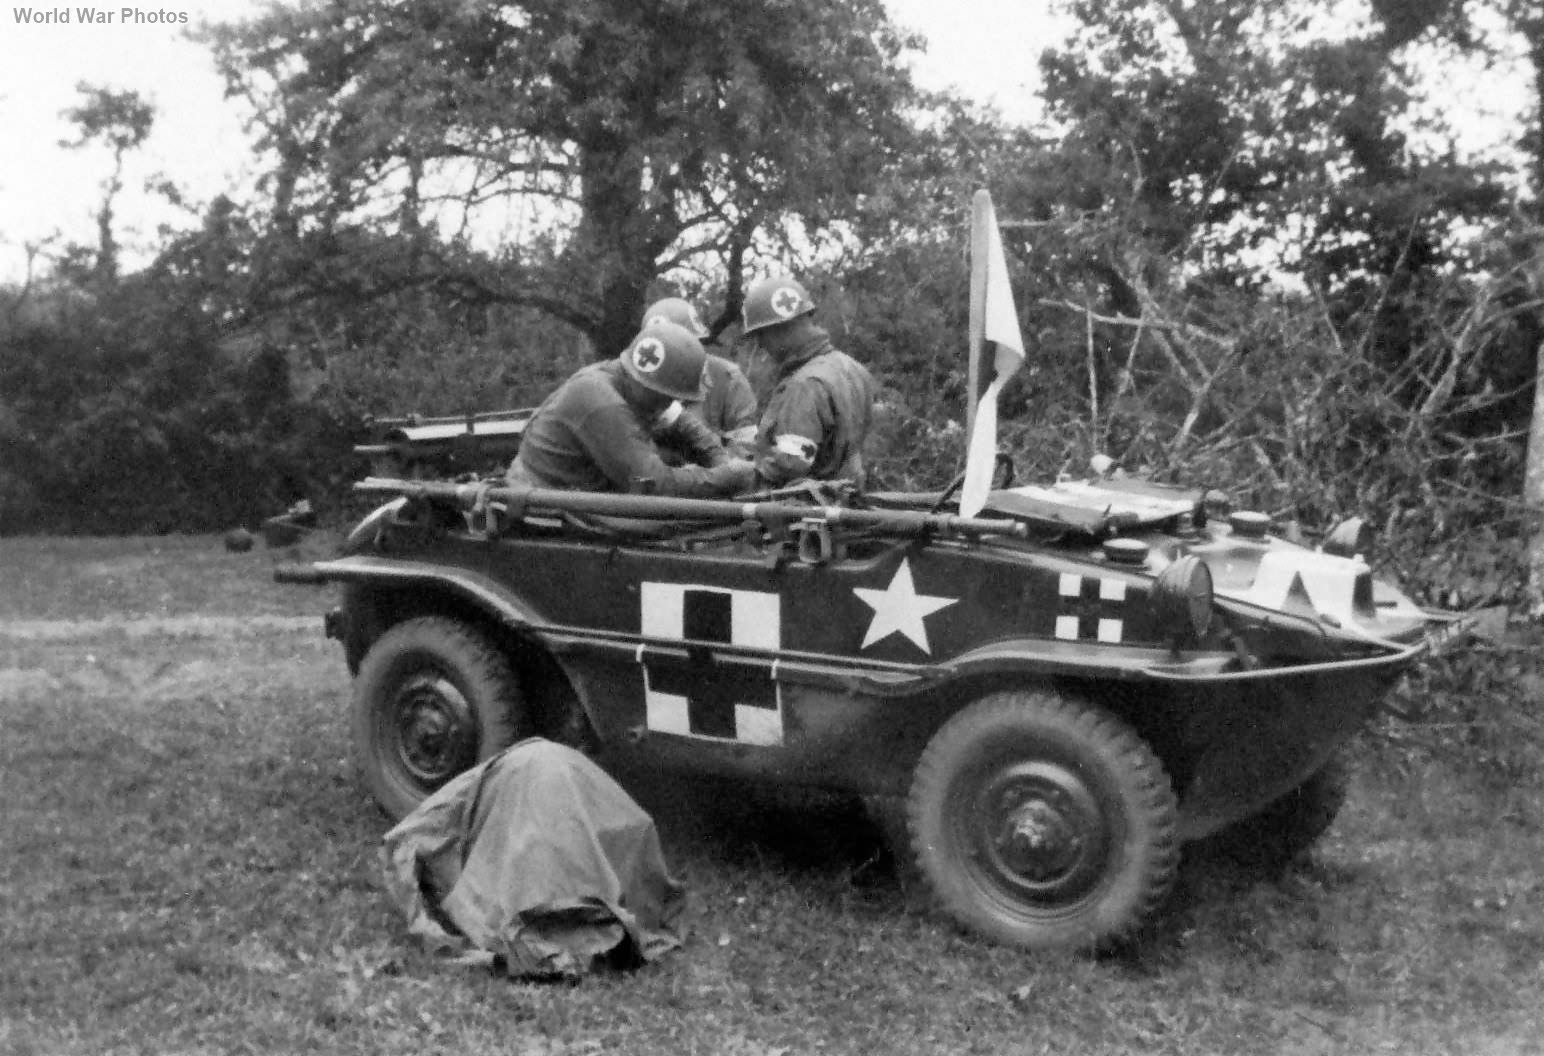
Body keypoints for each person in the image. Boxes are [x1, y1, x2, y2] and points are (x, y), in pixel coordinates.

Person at [507, 321, 756, 497]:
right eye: (665, 397)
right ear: (647, 385)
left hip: (579, 493)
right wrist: (724, 478)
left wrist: (721, 461)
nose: (668, 404)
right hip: (549, 503)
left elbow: (688, 428)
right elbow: (652, 484)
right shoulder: (602, 401)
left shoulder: (633, 383)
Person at [740, 275, 877, 487]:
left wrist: (736, 474)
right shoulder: (853, 368)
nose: (761, 346)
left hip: (806, 503)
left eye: (761, 335)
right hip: (850, 495)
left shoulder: (804, 384)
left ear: (779, 330)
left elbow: (790, 465)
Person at [641, 297, 759, 457]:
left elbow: (747, 448)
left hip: (717, 467)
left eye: (684, 347)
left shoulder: (728, 378)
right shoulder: (639, 381)